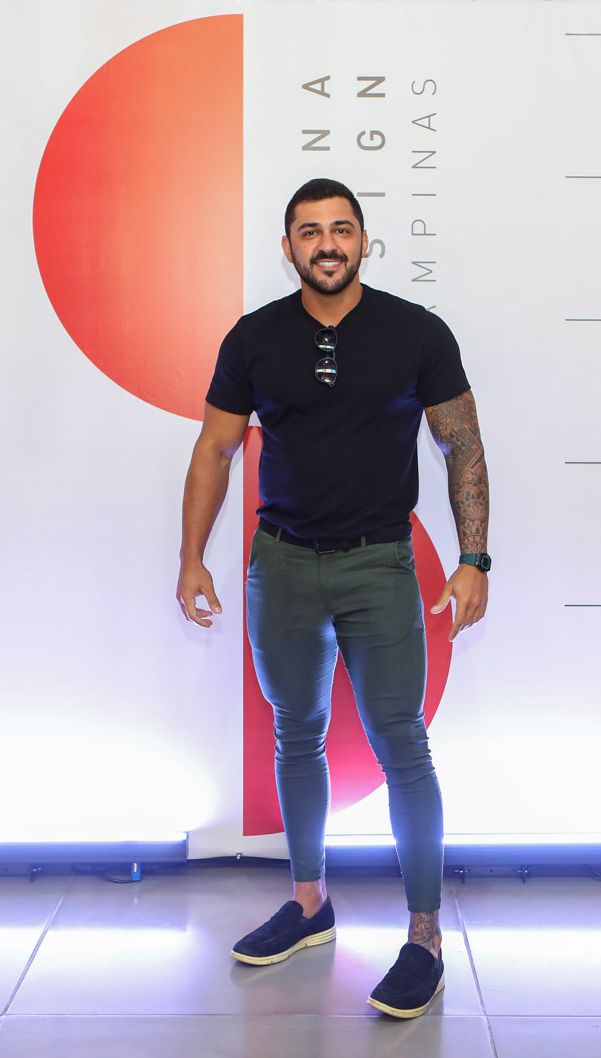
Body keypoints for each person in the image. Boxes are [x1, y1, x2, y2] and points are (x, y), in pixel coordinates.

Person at [177, 177, 490, 1019]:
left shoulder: (415, 332)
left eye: (341, 229)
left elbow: (461, 444)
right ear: (288, 248)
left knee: (402, 744)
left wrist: (473, 559)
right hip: (281, 565)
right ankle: (310, 904)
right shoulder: (254, 338)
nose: (327, 243)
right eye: (310, 231)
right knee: (296, 734)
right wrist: (192, 558)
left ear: (363, 241)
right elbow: (214, 449)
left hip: (378, 564)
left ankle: (424, 936)